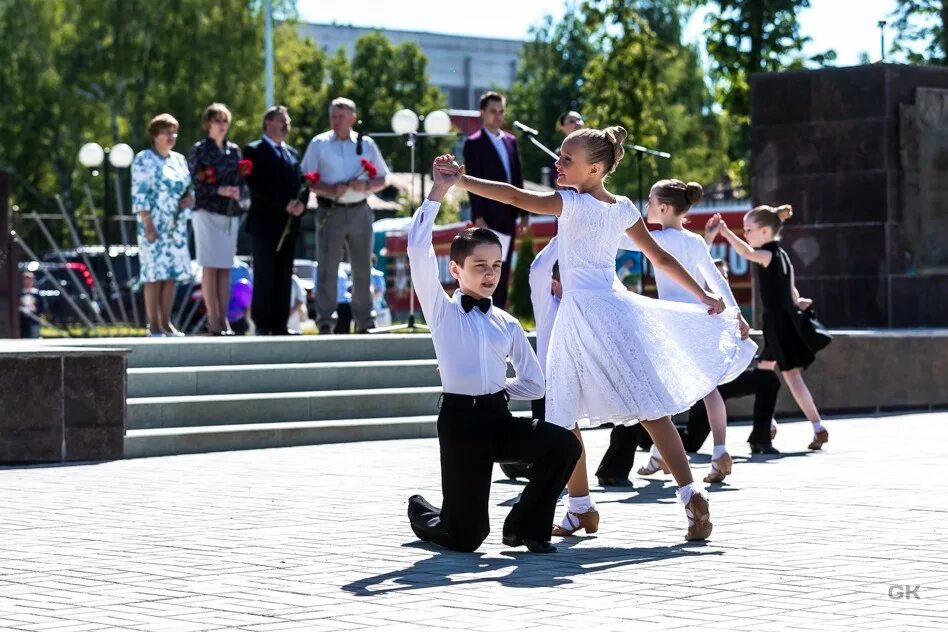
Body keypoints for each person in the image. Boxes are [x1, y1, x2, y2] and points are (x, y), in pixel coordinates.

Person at [436, 126, 751, 542]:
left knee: (564, 413)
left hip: (581, 313)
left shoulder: (569, 203)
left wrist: (462, 180)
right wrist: (704, 295)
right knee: (648, 404)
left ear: (595, 168)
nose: (557, 163)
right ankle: (678, 494)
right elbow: (660, 257)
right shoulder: (622, 208)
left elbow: (514, 196)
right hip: (617, 309)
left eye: (567, 159)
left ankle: (585, 507)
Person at [405, 159, 581, 554]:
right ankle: (422, 512)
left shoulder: (506, 321)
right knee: (465, 537)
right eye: (479, 265)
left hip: (498, 419)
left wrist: (498, 386)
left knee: (564, 445)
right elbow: (417, 247)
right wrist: (438, 192)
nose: (490, 274)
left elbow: (535, 383)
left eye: (497, 265)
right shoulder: (441, 310)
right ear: (455, 269)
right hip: (461, 424)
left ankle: (526, 527)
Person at [632, 179, 755, 485]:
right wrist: (737, 314)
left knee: (665, 389)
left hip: (673, 322)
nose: (646, 206)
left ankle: (661, 455)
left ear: (664, 208)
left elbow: (619, 239)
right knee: (708, 389)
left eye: (649, 200)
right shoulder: (695, 241)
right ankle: (719, 452)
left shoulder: (656, 240)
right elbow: (717, 280)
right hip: (702, 319)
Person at [709, 205, 830, 450]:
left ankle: (815, 426)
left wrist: (726, 233)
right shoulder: (783, 256)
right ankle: (772, 424)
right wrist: (799, 302)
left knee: (790, 376)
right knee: (768, 372)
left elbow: (746, 252)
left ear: (765, 232)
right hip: (785, 321)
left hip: (778, 324)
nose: (746, 233)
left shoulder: (768, 254)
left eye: (749, 229)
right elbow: (792, 291)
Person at [302, 97, 389, 334]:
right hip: (330, 209)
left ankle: (364, 321)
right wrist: (329, 189)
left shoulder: (367, 144)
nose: (336, 120)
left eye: (341, 116)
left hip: (360, 209)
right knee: (327, 268)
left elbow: (382, 178)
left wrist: (367, 185)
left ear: (353, 117)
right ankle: (325, 321)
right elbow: (307, 178)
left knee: (363, 268)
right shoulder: (319, 143)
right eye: (332, 115)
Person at [187, 103, 249, 336]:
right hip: (207, 211)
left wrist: (236, 192)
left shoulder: (234, 151)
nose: (221, 125)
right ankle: (213, 320)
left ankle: (224, 320)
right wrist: (218, 190)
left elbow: (241, 181)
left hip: (229, 214)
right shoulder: (200, 150)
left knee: (225, 267)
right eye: (217, 121)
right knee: (210, 267)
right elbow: (193, 182)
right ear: (208, 124)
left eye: (225, 121)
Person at [242, 105, 305, 336]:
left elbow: (302, 184)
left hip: (289, 224)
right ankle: (262, 323)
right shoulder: (254, 151)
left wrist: (301, 204)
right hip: (265, 224)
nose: (286, 124)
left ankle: (279, 323)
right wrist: (283, 203)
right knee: (265, 273)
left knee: (283, 274)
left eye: (287, 120)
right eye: (281, 120)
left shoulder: (293, 154)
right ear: (268, 123)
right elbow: (257, 186)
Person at [131, 113, 193, 337]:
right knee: (153, 274)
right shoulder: (143, 159)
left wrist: (189, 199)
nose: (172, 137)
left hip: (175, 226)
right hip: (152, 226)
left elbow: (188, 187)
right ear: (155, 135)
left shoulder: (179, 159)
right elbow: (139, 194)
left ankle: (167, 322)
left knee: (171, 275)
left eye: (175, 132)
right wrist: (147, 224)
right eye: (167, 132)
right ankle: (154, 324)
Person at [462, 91, 524, 309]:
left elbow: (517, 176)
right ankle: (483, 310)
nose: (498, 116)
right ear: (482, 113)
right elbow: (472, 183)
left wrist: (524, 213)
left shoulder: (511, 141)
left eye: (501, 111)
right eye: (493, 111)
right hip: (487, 216)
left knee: (503, 266)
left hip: (509, 214)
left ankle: (499, 312)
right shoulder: (473, 143)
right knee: (486, 266)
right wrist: (478, 216)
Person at [19, 271, 46, 338]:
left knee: (34, 337)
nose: (27, 282)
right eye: (26, 280)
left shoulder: (37, 294)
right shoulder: (20, 294)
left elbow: (43, 307)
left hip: (34, 321)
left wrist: (35, 309)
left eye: (29, 280)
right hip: (22, 323)